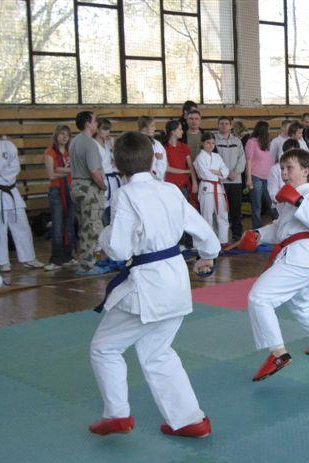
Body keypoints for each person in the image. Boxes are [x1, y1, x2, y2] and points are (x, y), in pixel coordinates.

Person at [89, 131, 220, 438]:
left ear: (116, 164)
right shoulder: (170, 190)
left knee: (104, 348)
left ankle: (117, 415)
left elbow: (119, 249)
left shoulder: (125, 195)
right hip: (176, 281)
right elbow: (205, 232)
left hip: (148, 286)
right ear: (152, 161)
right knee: (157, 352)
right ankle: (189, 420)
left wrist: (104, 236)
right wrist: (208, 256)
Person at [236, 149, 309, 382]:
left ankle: (278, 353)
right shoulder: (290, 197)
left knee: (259, 298)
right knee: (300, 302)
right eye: (282, 168)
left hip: (300, 256)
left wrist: (298, 200)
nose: (284, 173)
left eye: (290, 168)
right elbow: (281, 228)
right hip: (300, 256)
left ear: (305, 171)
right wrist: (258, 235)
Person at [0, 125, 44, 272]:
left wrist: (0, 171)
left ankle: (29, 258)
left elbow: (16, 168)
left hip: (11, 190)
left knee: (22, 225)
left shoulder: (8, 145)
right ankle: (2, 262)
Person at [69, 111, 107, 275]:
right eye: (95, 121)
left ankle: (85, 260)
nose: (97, 123)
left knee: (83, 226)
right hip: (88, 188)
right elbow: (93, 170)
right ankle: (88, 265)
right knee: (91, 227)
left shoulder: (74, 141)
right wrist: (103, 185)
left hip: (76, 185)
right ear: (87, 124)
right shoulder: (89, 143)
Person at [43, 125, 76, 271]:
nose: (64, 137)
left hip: (70, 189)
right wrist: (70, 171)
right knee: (57, 225)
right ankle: (56, 259)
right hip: (56, 191)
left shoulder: (70, 152)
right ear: (56, 135)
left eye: (67, 135)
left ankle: (68, 256)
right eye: (62, 134)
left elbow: (68, 169)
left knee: (69, 225)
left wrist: (61, 169)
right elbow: (51, 175)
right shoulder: (50, 152)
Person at [164, 119, 197, 248]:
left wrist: (194, 182)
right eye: (179, 129)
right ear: (173, 132)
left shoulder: (184, 147)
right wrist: (184, 171)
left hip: (183, 185)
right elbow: (167, 168)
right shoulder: (165, 148)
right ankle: (178, 242)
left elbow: (191, 166)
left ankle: (188, 242)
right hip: (170, 186)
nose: (182, 131)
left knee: (186, 213)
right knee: (174, 215)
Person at [194, 133, 230, 244]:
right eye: (208, 143)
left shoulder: (217, 157)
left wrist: (214, 171)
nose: (211, 145)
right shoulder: (200, 158)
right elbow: (205, 175)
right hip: (207, 189)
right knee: (207, 217)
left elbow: (226, 172)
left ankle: (223, 242)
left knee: (223, 216)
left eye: (213, 143)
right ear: (202, 143)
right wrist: (219, 173)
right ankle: (209, 243)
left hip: (219, 189)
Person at [214, 116, 246, 241]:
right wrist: (225, 173)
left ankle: (237, 234)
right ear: (217, 125)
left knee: (236, 209)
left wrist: (236, 172)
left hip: (235, 180)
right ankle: (220, 236)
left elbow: (242, 159)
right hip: (220, 181)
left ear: (230, 126)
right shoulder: (214, 140)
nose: (224, 125)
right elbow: (213, 158)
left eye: (226, 123)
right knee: (220, 210)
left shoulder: (237, 141)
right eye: (221, 123)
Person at [245, 121, 274, 229]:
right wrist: (249, 179)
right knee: (257, 205)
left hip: (268, 177)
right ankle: (256, 229)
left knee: (271, 203)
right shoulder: (251, 142)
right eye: (268, 130)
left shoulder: (267, 143)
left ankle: (278, 225)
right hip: (255, 176)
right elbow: (248, 161)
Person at [94, 118, 122, 227]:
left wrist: (113, 145)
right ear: (97, 129)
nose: (107, 132)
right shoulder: (93, 144)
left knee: (114, 207)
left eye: (108, 129)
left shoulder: (108, 143)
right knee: (102, 208)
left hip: (112, 178)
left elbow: (116, 161)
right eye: (104, 129)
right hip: (102, 178)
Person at [268, 138, 299, 211]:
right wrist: (284, 201)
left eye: (294, 153)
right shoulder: (275, 169)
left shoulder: (301, 168)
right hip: (281, 207)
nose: (292, 155)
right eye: (289, 152)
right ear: (284, 152)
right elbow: (273, 193)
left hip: (298, 205)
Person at [138, 116, 167, 181]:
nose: (155, 128)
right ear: (144, 128)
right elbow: (159, 174)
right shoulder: (156, 145)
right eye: (152, 126)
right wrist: (160, 160)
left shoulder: (156, 144)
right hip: (150, 182)